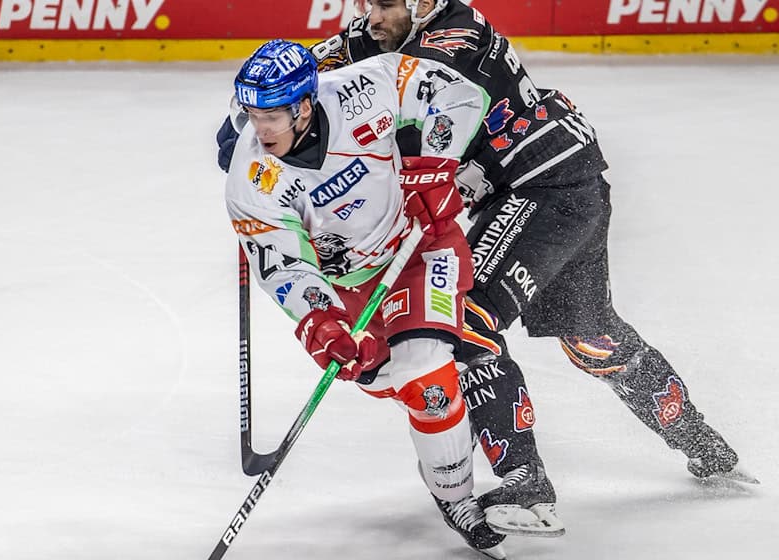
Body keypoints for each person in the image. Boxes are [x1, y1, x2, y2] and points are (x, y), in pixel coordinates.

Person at [218, 0, 757, 539]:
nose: (369, 17)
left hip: (537, 182)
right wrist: (244, 123)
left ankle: (526, 485)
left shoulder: (454, 38)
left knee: (466, 323)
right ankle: (703, 443)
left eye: (382, 4)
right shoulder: (388, 32)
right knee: (590, 337)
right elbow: (314, 68)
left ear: (423, 5)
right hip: (562, 179)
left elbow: (422, 96)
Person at [225, 38, 511, 558]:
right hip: (345, 284)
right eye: (251, 114)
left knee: (425, 372)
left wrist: (436, 163)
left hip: (419, 243)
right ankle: (443, 410)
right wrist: (320, 319)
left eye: (272, 115)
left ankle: (456, 496)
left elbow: (460, 95)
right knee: (389, 378)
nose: (260, 129)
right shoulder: (252, 182)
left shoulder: (366, 85)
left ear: (305, 105)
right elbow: (282, 264)